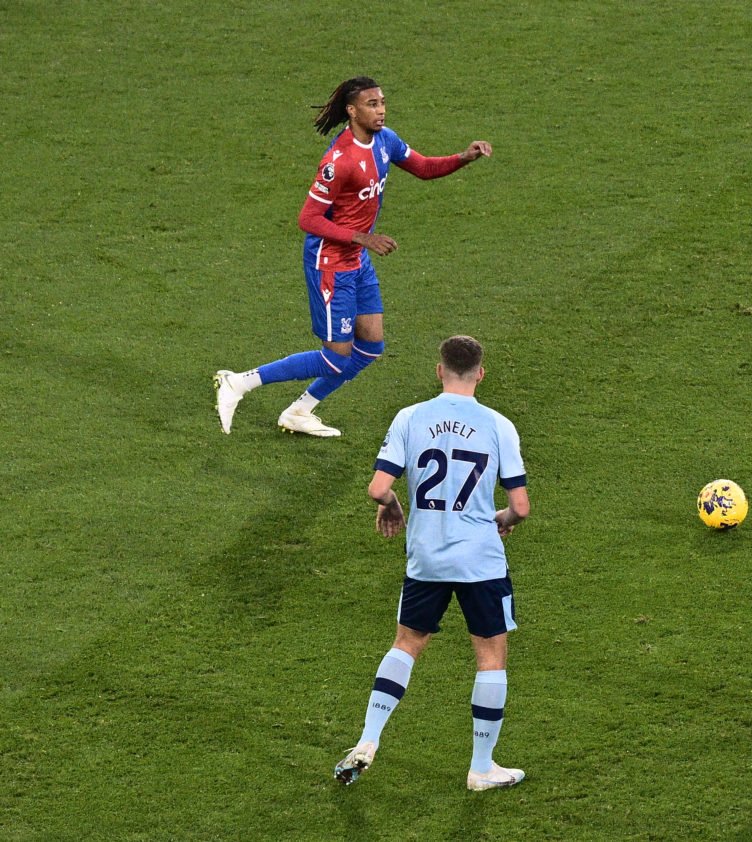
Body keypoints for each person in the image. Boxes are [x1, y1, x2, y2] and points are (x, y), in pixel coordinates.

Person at [214, 76, 493, 437]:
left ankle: (300, 411)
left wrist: (463, 158)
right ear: (352, 110)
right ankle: (239, 383)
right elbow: (308, 219)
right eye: (372, 104)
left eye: (382, 103)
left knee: (371, 346)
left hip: (356, 260)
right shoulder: (339, 161)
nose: (381, 110)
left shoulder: (385, 140)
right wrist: (362, 237)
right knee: (335, 356)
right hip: (330, 263)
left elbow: (423, 168)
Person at [333, 335, 531, 790]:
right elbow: (519, 507)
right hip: (481, 562)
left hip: (425, 559)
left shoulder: (410, 418)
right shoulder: (499, 425)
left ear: (438, 370)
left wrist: (393, 506)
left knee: (406, 644)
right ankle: (482, 768)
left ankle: (368, 739)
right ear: (481, 373)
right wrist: (499, 517)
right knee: (490, 655)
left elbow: (378, 487)